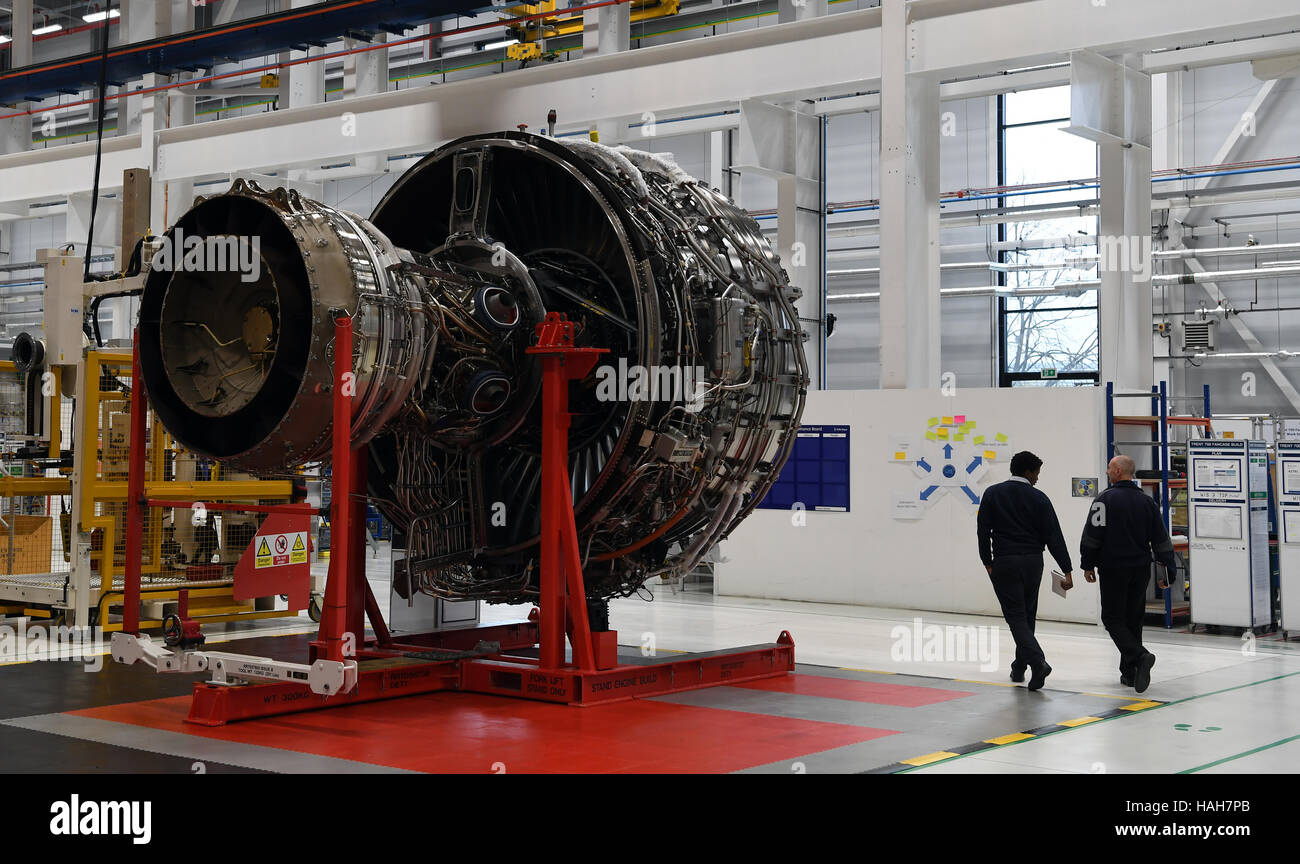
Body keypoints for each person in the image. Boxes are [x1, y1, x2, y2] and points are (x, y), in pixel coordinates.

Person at [976, 451, 1075, 691]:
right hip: (1033, 562)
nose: (1038, 478)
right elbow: (1054, 536)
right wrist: (1067, 569)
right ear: (1028, 471)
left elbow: (982, 531)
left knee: (1016, 617)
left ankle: (1037, 662)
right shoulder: (1039, 498)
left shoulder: (992, 494)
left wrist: (987, 561)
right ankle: (1020, 667)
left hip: (1005, 561)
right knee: (1027, 615)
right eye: (1037, 473)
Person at [1079, 455, 1178, 695]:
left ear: (1119, 471)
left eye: (1110, 468)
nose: (1107, 471)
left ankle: (1140, 656)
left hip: (1113, 568)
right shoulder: (1147, 503)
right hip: (1140, 568)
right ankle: (1129, 672)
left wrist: (1087, 564)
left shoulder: (1104, 500)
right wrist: (1169, 570)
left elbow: (1093, 535)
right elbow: (1161, 539)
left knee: (1112, 618)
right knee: (1133, 618)